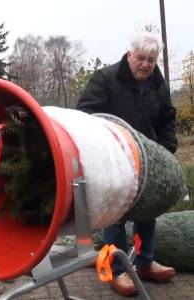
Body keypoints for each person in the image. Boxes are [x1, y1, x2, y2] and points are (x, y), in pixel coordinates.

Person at [76, 31, 177, 297]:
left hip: (147, 158)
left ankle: (144, 264)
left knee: (148, 211)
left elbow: (167, 118)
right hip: (113, 160)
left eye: (151, 60)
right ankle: (118, 271)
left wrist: (168, 152)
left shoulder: (157, 83)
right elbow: (85, 114)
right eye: (141, 58)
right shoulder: (105, 79)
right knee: (115, 215)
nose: (145, 64)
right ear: (129, 54)